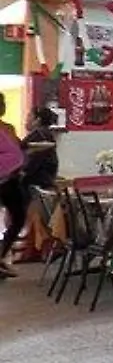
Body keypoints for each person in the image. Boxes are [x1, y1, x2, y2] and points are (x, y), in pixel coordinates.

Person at [0, 97, 39, 277]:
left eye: (3, 104)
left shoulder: (8, 128)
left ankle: (1, 255)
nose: (3, 108)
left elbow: (17, 152)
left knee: (18, 218)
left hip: (10, 182)